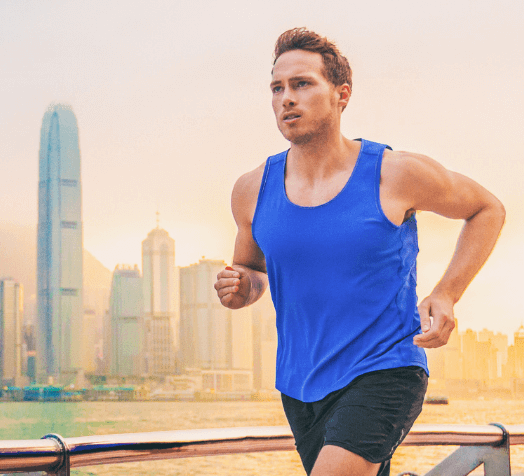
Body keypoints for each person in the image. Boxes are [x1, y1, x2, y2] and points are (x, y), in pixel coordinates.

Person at [214, 28, 505, 476]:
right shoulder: (252, 189)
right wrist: (240, 287)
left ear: (341, 94)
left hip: (386, 369)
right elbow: (253, 270)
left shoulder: (394, 173)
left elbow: (488, 209)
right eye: (277, 88)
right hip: (299, 384)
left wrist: (448, 292)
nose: (286, 98)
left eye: (302, 84)